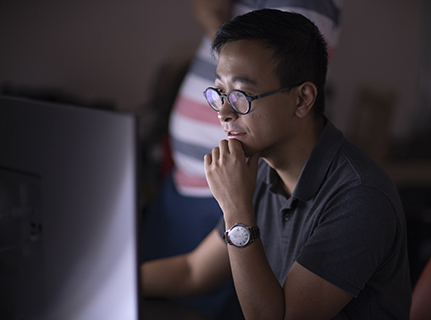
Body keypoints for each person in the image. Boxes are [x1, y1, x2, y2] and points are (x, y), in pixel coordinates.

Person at [142, 8, 411, 319]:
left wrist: (236, 210)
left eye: (241, 95)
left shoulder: (360, 196)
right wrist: (113, 280)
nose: (224, 113)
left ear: (302, 99)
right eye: (220, 93)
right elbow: (193, 271)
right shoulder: (263, 169)